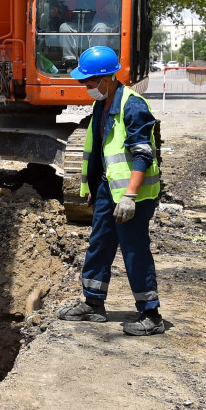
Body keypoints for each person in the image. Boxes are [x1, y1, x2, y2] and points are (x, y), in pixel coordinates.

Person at [57, 45, 165, 336]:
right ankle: (93, 303)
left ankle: (151, 315)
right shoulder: (100, 105)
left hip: (133, 194)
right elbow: (101, 151)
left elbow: (143, 155)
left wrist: (129, 196)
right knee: (100, 243)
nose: (86, 87)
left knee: (134, 250)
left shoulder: (133, 106)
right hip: (108, 188)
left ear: (107, 78)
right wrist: (94, 187)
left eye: (89, 81)